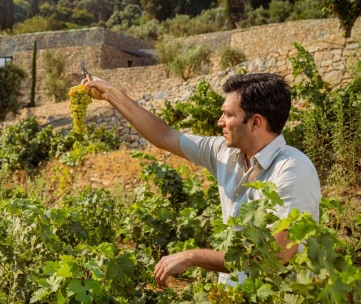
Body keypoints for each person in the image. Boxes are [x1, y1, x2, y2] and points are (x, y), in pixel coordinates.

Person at [81, 73, 321, 287]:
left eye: (228, 114)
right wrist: (110, 94)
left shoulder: (292, 170)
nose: (220, 121)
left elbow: (275, 258)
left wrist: (193, 256)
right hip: (232, 292)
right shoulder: (224, 152)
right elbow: (164, 135)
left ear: (256, 122)